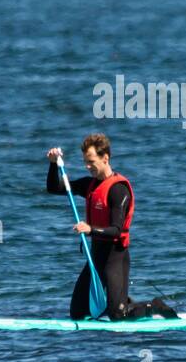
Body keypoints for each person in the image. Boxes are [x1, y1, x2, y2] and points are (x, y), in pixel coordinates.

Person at [45, 134, 176, 321]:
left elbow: (117, 230)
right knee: (77, 313)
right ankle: (120, 299)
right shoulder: (89, 184)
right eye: (85, 162)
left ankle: (153, 306)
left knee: (118, 315)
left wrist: (90, 229)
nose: (87, 166)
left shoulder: (118, 189)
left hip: (115, 257)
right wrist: (52, 164)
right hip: (96, 256)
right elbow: (54, 188)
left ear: (105, 158)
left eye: (91, 162)